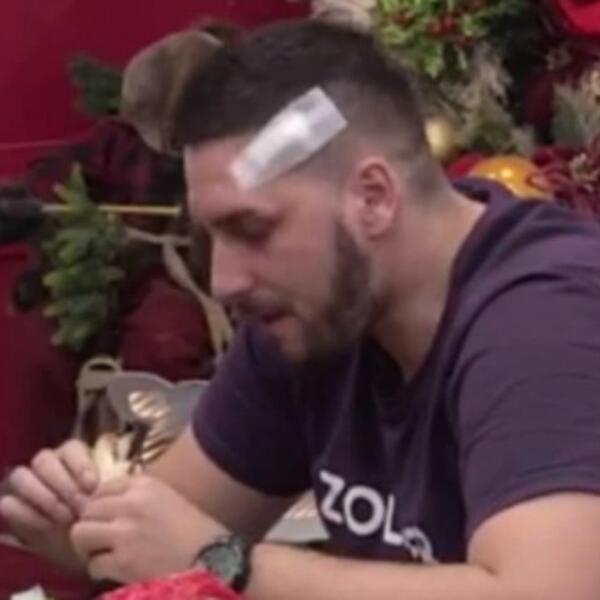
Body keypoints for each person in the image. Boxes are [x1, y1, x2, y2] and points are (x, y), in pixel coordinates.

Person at [3, 19, 600, 600]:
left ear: (373, 198)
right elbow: (162, 532)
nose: (224, 281)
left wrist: (221, 562)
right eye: (212, 237)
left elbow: (550, 593)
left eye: (251, 229)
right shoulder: (319, 314)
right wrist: (80, 525)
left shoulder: (545, 319)